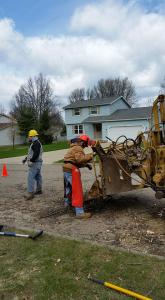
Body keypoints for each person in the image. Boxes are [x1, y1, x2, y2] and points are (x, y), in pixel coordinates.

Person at [63, 134, 94, 219]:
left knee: (69, 188)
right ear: (82, 142)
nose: (84, 147)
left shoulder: (73, 147)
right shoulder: (78, 147)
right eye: (85, 145)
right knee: (77, 190)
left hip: (66, 168)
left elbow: (75, 161)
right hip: (72, 169)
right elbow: (79, 159)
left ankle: (67, 203)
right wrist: (91, 156)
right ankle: (79, 212)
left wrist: (86, 165)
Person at [23, 129, 43, 200]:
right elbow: (31, 153)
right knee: (38, 176)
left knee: (30, 177)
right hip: (38, 163)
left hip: (35, 163)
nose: (29, 137)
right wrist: (25, 159)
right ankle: (39, 190)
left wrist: (31, 161)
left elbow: (36, 153)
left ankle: (30, 193)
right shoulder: (35, 143)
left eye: (29, 136)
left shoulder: (36, 143)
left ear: (32, 136)